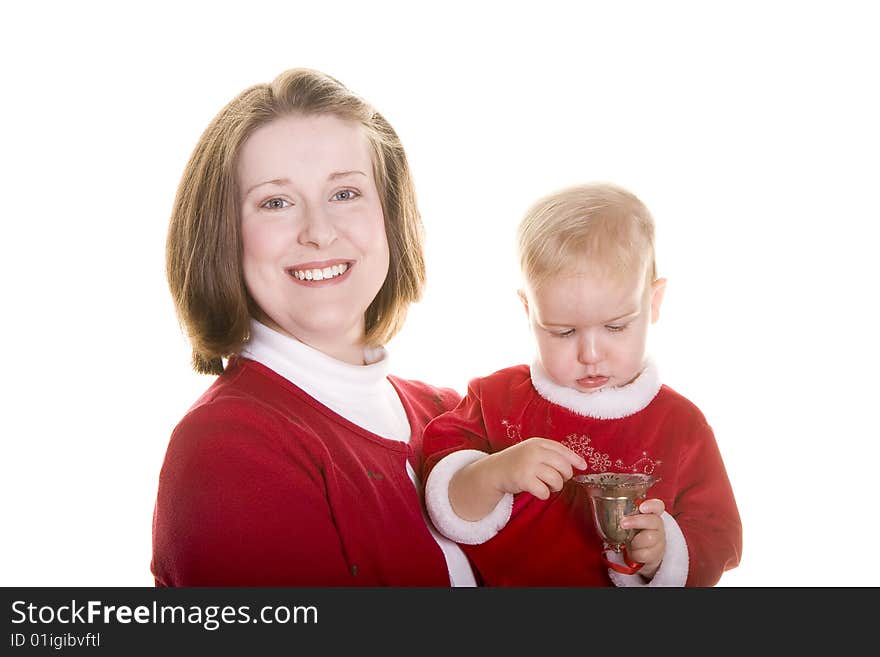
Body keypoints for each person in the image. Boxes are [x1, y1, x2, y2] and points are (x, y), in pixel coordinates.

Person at [152, 68, 476, 586]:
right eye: (275, 202)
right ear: (224, 235)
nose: (319, 233)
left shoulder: (452, 413)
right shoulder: (228, 448)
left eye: (345, 193)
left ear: (389, 216)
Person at [421, 182, 742, 586]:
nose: (591, 354)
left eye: (615, 326)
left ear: (653, 303)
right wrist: (492, 473)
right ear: (529, 310)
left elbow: (719, 534)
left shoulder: (681, 426)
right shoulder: (495, 400)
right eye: (562, 331)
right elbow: (441, 496)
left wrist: (665, 553)